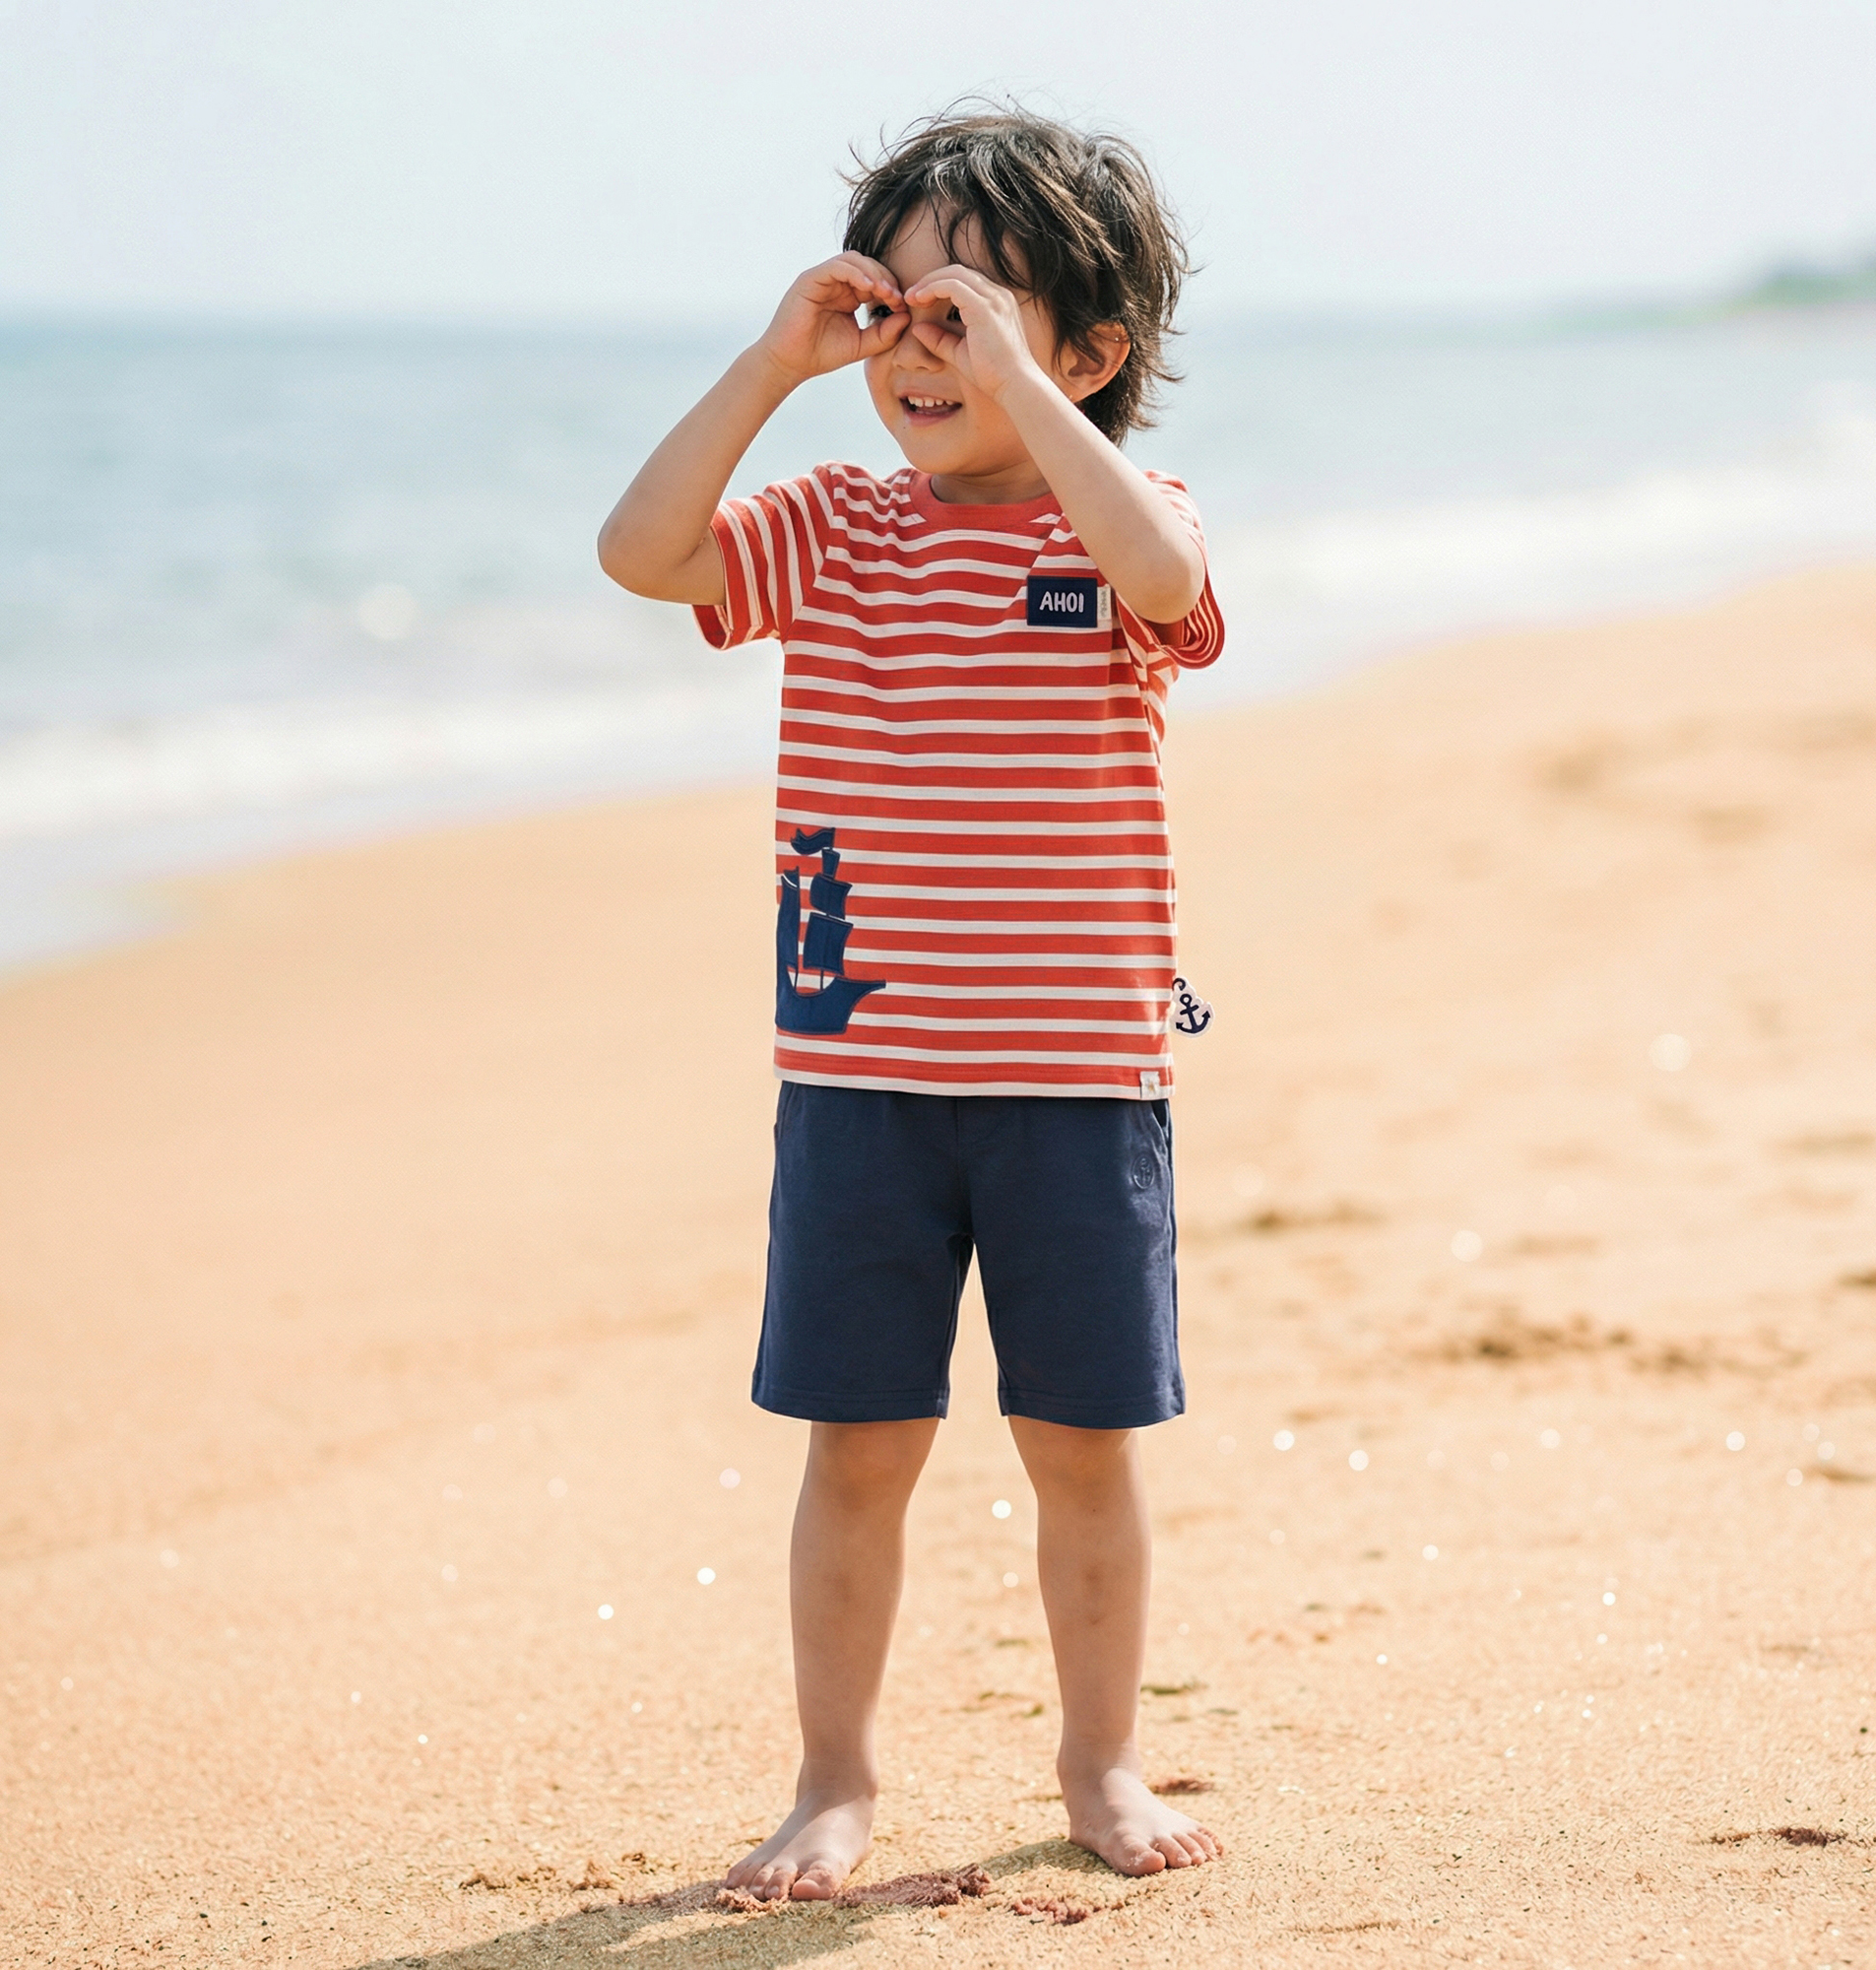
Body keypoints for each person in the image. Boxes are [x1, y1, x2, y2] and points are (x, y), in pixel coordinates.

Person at [598, 103, 1225, 1900]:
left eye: (978, 314)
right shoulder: (832, 529)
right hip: (862, 1079)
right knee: (856, 1446)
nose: (925, 352)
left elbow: (1171, 590)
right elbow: (646, 555)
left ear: (1087, 352)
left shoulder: (1128, 520)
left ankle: (1101, 1760)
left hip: (1077, 1084)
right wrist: (777, 364)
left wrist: (1035, 404)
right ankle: (833, 1776)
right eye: (902, 314)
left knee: (1082, 1448)